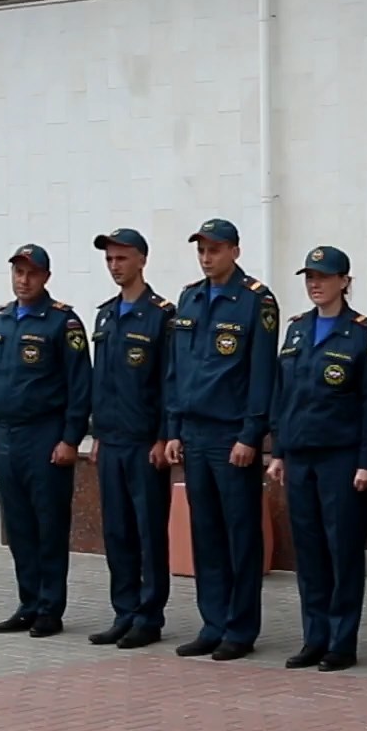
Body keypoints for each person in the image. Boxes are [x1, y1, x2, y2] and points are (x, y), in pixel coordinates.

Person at [164, 218, 280, 660]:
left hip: (232, 434)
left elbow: (261, 373)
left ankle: (240, 627)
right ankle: (212, 622)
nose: (207, 257)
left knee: (240, 533)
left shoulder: (255, 301)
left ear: (234, 250)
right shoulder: (190, 297)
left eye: (214, 249)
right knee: (205, 532)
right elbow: (177, 369)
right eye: (201, 250)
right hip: (194, 431)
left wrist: (252, 433)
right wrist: (174, 428)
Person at [267, 246, 367, 671]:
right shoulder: (298, 330)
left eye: (324, 276)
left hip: (342, 458)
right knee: (310, 551)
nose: (315, 284)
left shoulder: (361, 335)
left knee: (343, 551)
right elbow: (284, 395)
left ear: (344, 282)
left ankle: (342, 640)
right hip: (300, 457)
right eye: (309, 276)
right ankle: (314, 636)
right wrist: (279, 450)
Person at [0, 244, 94, 639]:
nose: (23, 280)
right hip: (8, 436)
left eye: (31, 273)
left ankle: (50, 608)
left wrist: (70, 438)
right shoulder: (0, 321)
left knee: (48, 525)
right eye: (17, 272)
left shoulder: (63, 323)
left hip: (45, 436)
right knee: (20, 526)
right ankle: (27, 603)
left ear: (46, 277)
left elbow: (80, 386)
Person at [86, 228, 174, 649]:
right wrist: (98, 434)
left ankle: (149, 614)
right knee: (117, 530)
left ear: (141, 260)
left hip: (144, 443)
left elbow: (167, 382)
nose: (114, 266)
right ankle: (124, 610)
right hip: (112, 440)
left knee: (148, 531)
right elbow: (100, 381)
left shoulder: (161, 315)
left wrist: (163, 436)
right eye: (109, 260)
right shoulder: (105, 315)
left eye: (121, 259)